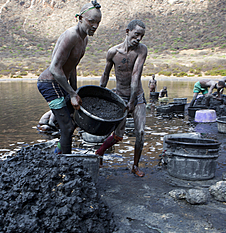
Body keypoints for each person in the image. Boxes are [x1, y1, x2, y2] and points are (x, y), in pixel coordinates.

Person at [37, 1, 102, 154]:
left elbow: (72, 67)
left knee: (72, 123)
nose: (94, 26)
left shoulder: (84, 39)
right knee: (66, 127)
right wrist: (72, 94)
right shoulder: (71, 35)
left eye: (97, 22)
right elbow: (54, 68)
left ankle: (58, 153)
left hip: (60, 83)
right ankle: (64, 163)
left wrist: (75, 91)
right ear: (80, 18)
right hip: (49, 83)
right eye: (90, 21)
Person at [95, 19, 147, 177]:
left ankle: (135, 165)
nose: (138, 39)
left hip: (137, 96)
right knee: (118, 135)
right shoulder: (113, 52)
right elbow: (105, 74)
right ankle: (99, 153)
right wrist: (98, 95)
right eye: (136, 34)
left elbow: (135, 75)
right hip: (119, 97)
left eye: (141, 36)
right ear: (127, 31)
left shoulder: (141, 50)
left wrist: (132, 100)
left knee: (141, 132)